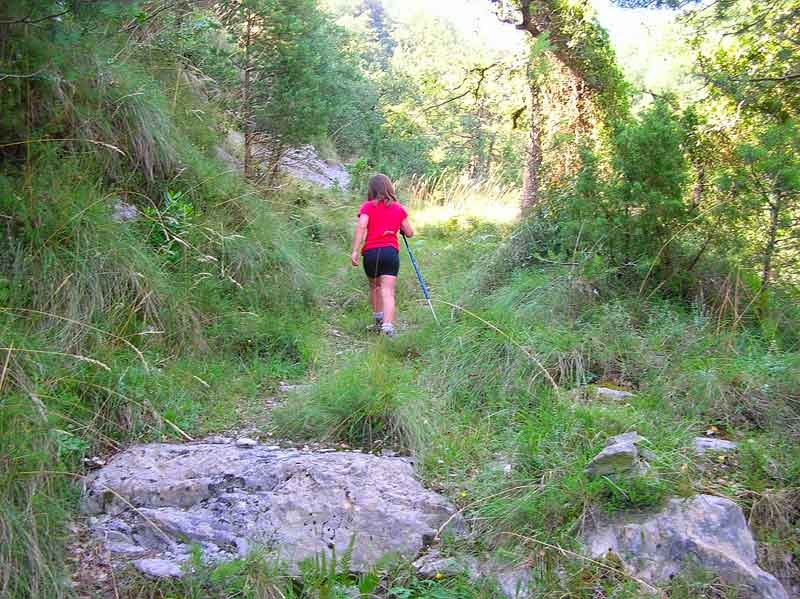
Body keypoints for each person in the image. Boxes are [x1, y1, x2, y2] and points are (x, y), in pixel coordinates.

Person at [350, 173, 414, 337]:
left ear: (371, 189)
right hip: (390, 253)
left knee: (375, 287)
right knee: (388, 291)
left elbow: (361, 226)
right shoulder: (398, 208)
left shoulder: (367, 207)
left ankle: (378, 319)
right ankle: (387, 327)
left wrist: (355, 251)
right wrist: (398, 227)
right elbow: (409, 232)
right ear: (389, 188)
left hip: (371, 253)